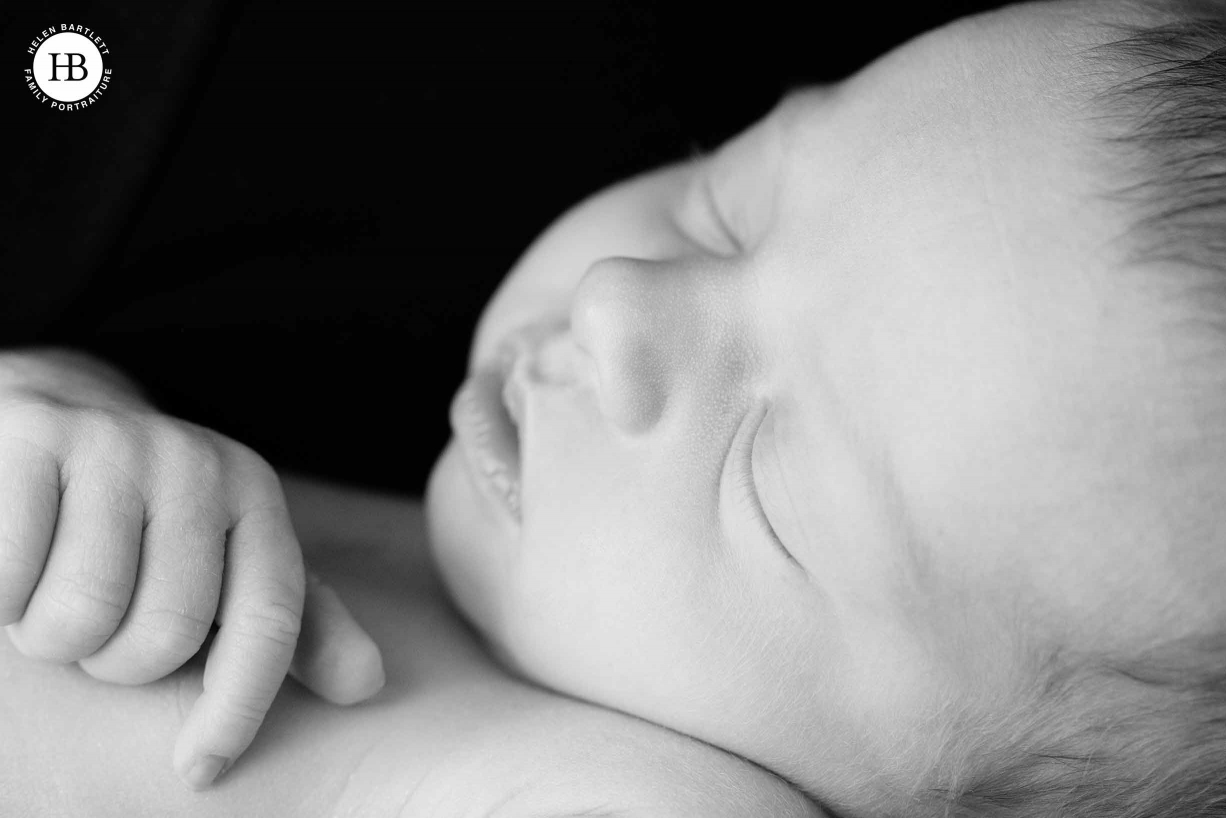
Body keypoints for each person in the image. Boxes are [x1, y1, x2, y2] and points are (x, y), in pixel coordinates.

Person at [4, 0, 1226, 815]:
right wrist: (73, 413)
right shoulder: (498, 576)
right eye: (728, 200)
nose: (618, 307)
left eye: (763, 473)